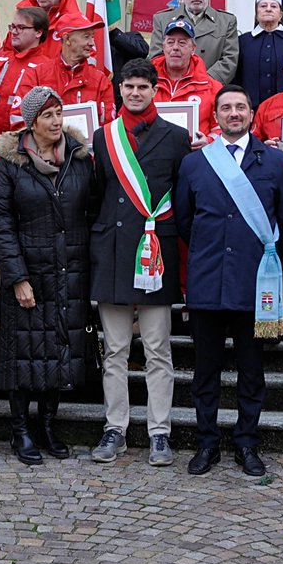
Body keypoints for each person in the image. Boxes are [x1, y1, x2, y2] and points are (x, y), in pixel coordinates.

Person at [174, 84, 283, 477]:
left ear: (251, 114)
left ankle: (247, 442)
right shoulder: (195, 164)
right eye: (226, 107)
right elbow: (184, 221)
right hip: (208, 284)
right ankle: (206, 443)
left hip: (254, 286)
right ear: (216, 115)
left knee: (251, 371)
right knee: (205, 372)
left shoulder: (276, 162)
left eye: (240, 107)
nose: (233, 113)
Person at [88, 59, 191, 466]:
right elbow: (97, 195)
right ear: (120, 90)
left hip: (155, 253)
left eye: (142, 87)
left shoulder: (177, 137)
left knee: (157, 349)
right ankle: (115, 428)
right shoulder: (102, 137)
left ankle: (159, 432)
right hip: (112, 250)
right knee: (113, 349)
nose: (134, 93)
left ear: (155, 91)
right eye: (128, 86)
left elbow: (183, 198)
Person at [0, 87, 95, 464]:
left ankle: (48, 425)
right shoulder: (11, 163)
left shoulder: (79, 159)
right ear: (31, 122)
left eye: (59, 113)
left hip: (69, 269)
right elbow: (1, 223)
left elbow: (91, 211)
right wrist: (17, 277)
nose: (56, 122)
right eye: (47, 116)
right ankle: (20, 431)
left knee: (59, 352)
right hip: (29, 272)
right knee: (24, 355)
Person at [148, 0, 239, 87]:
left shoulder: (226, 21)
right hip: (172, 88)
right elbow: (156, 57)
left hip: (209, 87)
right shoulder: (162, 19)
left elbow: (229, 60)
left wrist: (203, 81)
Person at [0, 6, 56, 135]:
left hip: (18, 141)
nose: (14, 32)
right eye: (12, 27)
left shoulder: (47, 67)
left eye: (21, 28)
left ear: (38, 32)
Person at [151, 18, 221, 139]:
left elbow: (222, 127)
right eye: (170, 42)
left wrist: (208, 142)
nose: (175, 48)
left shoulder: (213, 87)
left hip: (196, 154)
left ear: (193, 48)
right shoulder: (145, 83)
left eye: (182, 43)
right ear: (163, 47)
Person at [50, 15, 115, 125]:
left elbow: (108, 124)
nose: (92, 43)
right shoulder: (37, 74)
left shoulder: (100, 80)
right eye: (86, 37)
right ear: (67, 39)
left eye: (92, 37)